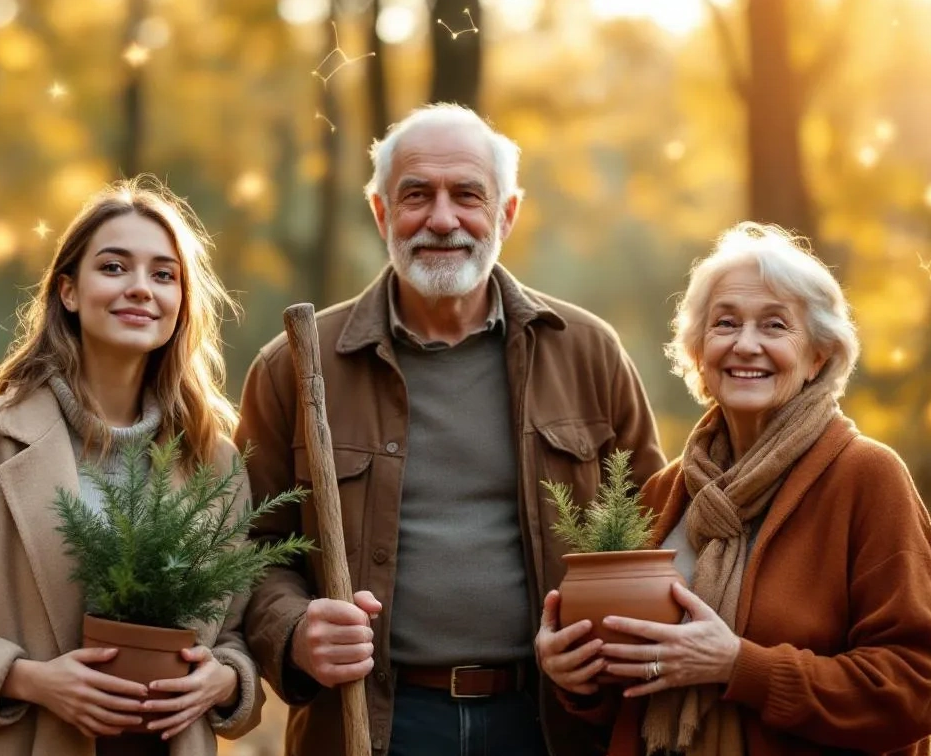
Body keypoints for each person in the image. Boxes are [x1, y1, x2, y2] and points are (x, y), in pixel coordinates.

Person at [236, 103, 666, 756]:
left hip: (553, 726)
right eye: (416, 195)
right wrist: (293, 631)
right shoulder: (298, 364)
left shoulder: (587, 354)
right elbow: (250, 546)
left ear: (507, 214)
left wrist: (601, 649)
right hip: (373, 724)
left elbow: (653, 531)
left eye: (467, 195)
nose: (442, 219)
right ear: (382, 213)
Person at [0, 177, 264, 756]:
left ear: (181, 305)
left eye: (163, 274)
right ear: (68, 292)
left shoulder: (212, 456)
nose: (140, 289)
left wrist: (225, 678)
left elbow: (236, 631)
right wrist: (29, 678)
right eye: (113, 267)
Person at [537, 222, 931, 756]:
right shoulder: (668, 491)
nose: (746, 344)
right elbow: (632, 693)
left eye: (775, 325)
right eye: (725, 324)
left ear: (819, 357)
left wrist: (740, 665)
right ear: (698, 354)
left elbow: (915, 688)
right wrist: (578, 678)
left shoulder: (868, 478)